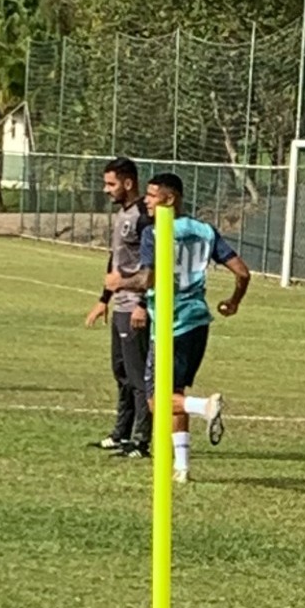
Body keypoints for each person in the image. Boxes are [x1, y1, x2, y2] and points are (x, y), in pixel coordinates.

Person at [107, 172, 250, 483]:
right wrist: (234, 302)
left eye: (152, 196)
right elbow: (242, 272)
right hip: (198, 323)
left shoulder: (155, 232)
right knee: (175, 393)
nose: (146, 201)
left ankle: (205, 406)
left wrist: (121, 282)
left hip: (171, 324)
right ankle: (182, 467)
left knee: (156, 400)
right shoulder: (205, 231)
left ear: (170, 199)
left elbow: (149, 279)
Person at [85, 157, 152, 458]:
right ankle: (121, 433)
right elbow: (116, 260)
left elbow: (153, 265)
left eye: (111, 184)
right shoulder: (123, 213)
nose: (106, 189)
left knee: (138, 377)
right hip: (120, 305)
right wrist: (104, 299)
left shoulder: (143, 217)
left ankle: (140, 440)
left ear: (128, 182)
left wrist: (143, 304)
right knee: (121, 371)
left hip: (135, 307)